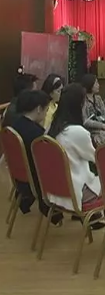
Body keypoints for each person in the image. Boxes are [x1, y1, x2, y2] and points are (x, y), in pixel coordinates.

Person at [48, 83, 105, 248]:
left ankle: (98, 222)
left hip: (57, 188)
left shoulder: (53, 128)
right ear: (77, 105)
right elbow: (95, 158)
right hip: (76, 190)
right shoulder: (76, 132)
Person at [9, 90, 63, 225]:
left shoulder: (15, 125)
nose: (46, 114)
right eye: (46, 110)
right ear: (39, 109)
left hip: (21, 177)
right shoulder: (36, 135)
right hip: (37, 179)